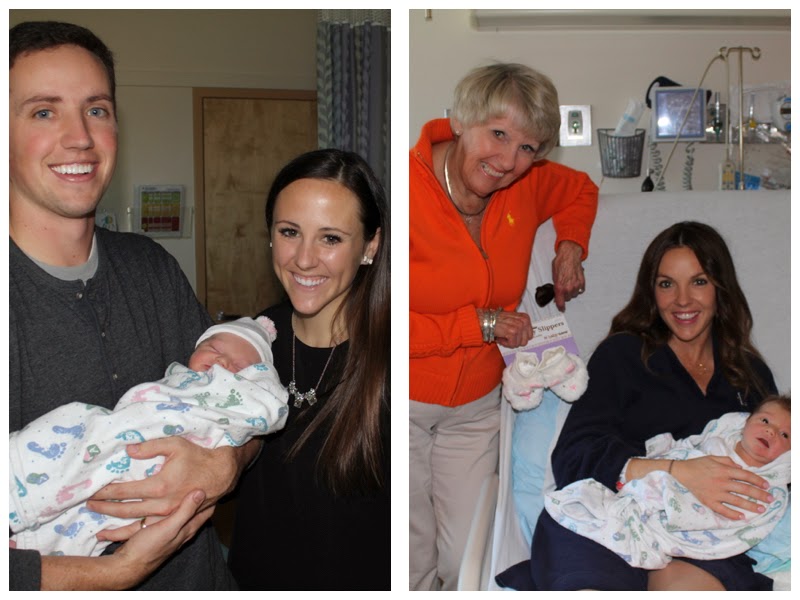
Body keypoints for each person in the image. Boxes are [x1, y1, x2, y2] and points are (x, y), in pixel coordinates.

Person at [9, 21, 256, 590]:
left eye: (96, 110)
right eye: (44, 112)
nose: (80, 137)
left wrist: (225, 465)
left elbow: (239, 406)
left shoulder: (151, 268)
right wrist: (118, 571)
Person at [496, 221, 780, 591]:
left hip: (703, 536)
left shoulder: (748, 373)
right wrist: (679, 472)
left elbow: (782, 462)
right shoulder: (623, 355)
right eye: (666, 284)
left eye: (698, 281)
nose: (682, 300)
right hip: (605, 518)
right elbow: (573, 457)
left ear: (720, 288)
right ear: (651, 291)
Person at [408, 62, 599, 590]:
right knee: (410, 559)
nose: (508, 161)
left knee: (467, 559)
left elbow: (581, 189)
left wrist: (569, 246)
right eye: (497, 134)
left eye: (527, 147)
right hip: (402, 401)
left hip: (475, 410)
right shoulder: (399, 193)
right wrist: (480, 325)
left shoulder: (528, 184)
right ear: (460, 121)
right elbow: (380, 322)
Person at [226, 148, 391, 590]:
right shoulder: (251, 340)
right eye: (289, 232)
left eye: (330, 239)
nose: (303, 259)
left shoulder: (393, 361)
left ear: (370, 246)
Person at [10, 317, 289, 558]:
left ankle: (31, 546)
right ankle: (16, 487)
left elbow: (271, 409)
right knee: (76, 433)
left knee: (94, 524)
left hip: (154, 471)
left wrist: (261, 382)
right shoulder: (179, 378)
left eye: (238, 367)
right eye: (214, 349)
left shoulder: (238, 403)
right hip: (124, 444)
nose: (221, 362)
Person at [545, 395, 790, 569]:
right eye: (765, 421)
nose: (771, 431)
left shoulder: (769, 487)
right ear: (745, 422)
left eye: (785, 435)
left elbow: (749, 520)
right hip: (645, 489)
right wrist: (673, 465)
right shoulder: (717, 440)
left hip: (702, 544)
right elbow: (686, 448)